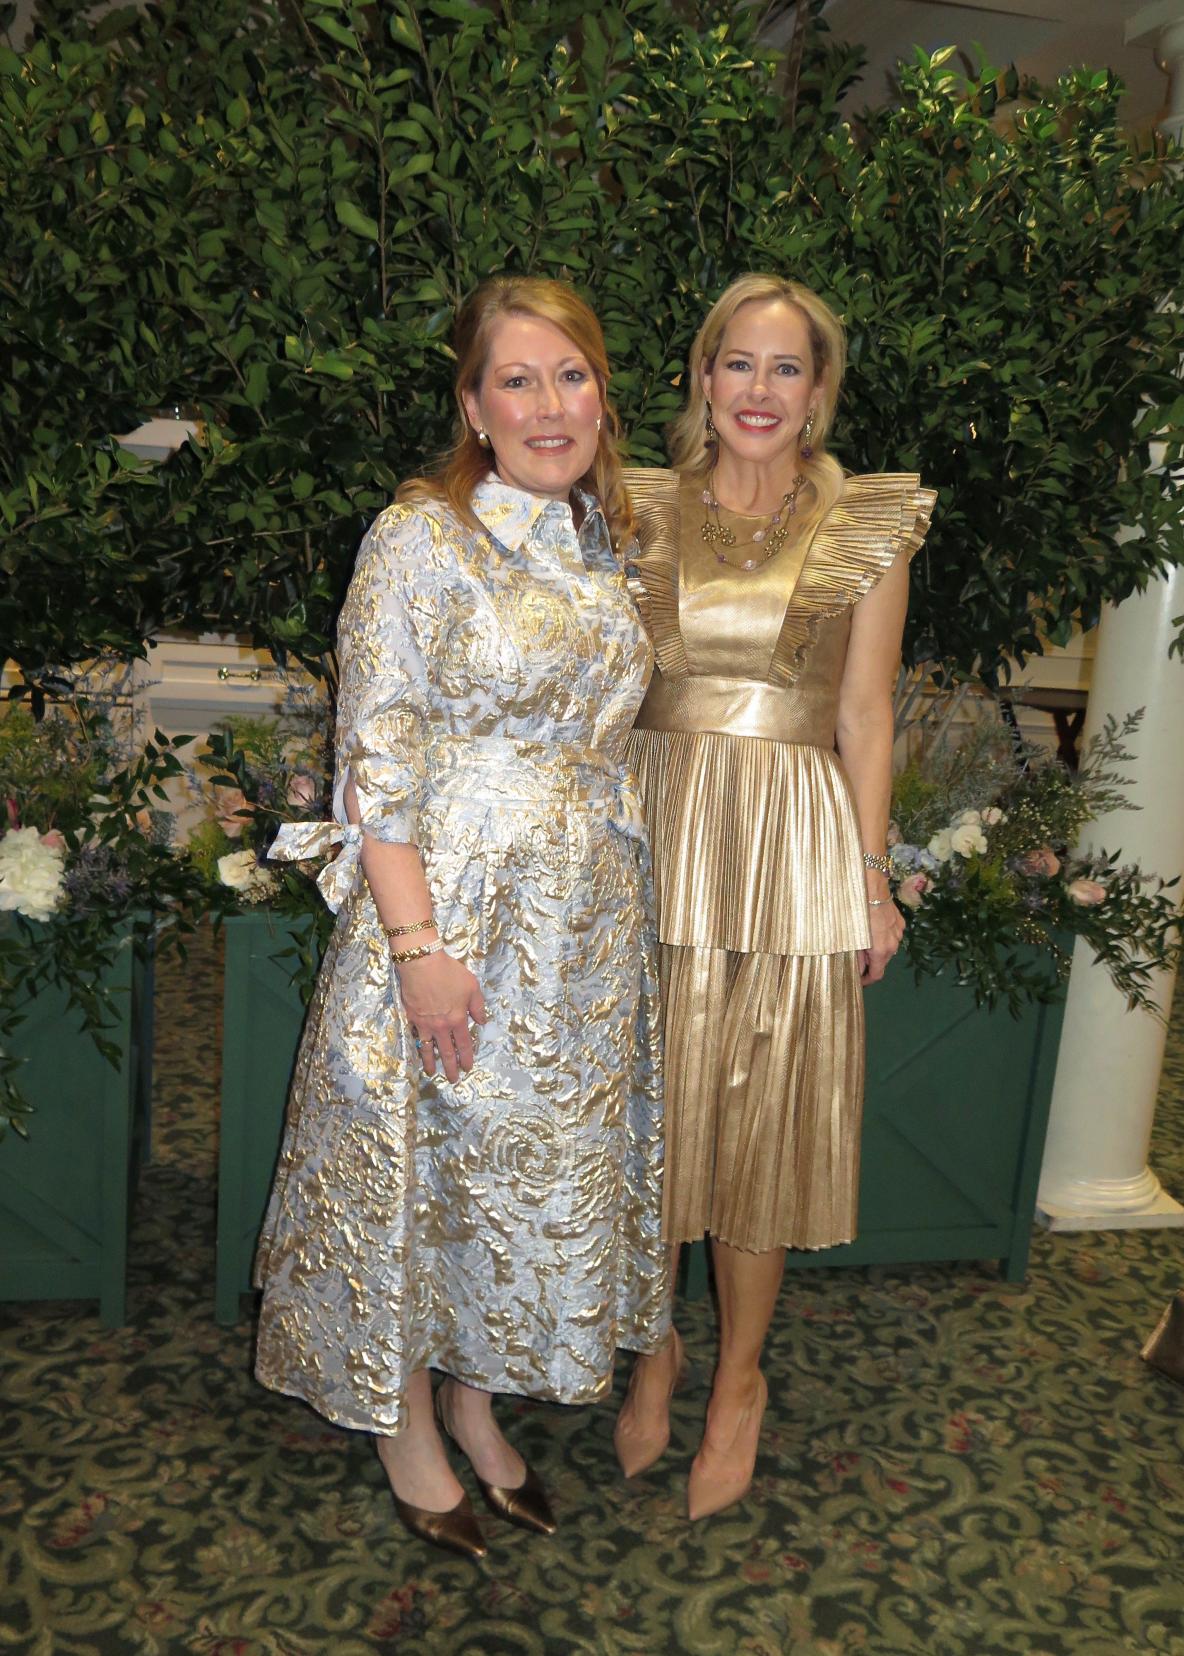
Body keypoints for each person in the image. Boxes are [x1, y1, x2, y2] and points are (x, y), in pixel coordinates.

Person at [254, 276, 671, 1561]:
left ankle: (478, 1403)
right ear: (473, 407)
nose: (550, 405)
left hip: (583, 927)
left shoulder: (610, 548)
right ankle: (405, 1428)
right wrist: (418, 951)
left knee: (522, 1178)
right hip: (451, 908)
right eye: (517, 380)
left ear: (603, 393)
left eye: (572, 375)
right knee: (428, 1163)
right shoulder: (419, 538)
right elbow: (376, 760)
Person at [614, 274, 935, 1519]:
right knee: (651, 1108)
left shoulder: (864, 525)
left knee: (753, 1124)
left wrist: (870, 878)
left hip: (791, 840)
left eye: (784, 368)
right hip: (650, 830)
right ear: (702, 377)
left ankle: (739, 1378)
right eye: (736, 364)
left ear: (818, 390)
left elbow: (864, 711)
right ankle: (656, 1350)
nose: (758, 390)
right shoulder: (634, 509)